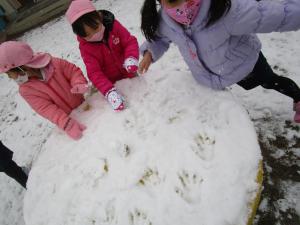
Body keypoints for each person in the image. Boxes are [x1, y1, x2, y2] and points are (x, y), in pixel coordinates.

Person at [139, 0, 300, 122]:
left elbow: (272, 15)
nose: (184, 8)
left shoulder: (225, 10)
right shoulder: (165, 21)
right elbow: (160, 38)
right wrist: (149, 53)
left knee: (270, 82)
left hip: (247, 65)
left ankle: (297, 97)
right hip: (217, 75)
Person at [0, 41, 88, 140]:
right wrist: (67, 124)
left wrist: (78, 83)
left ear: (21, 67)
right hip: (70, 118)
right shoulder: (27, 90)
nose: (10, 77)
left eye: (9, 73)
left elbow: (72, 72)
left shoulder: (55, 64)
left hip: (84, 106)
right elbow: (46, 109)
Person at [66, 0, 139, 111]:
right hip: (110, 83)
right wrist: (109, 92)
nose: (93, 35)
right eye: (87, 35)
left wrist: (131, 57)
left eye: (95, 29)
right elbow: (94, 72)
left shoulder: (113, 26)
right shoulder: (86, 47)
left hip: (129, 72)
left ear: (99, 17)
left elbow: (129, 42)